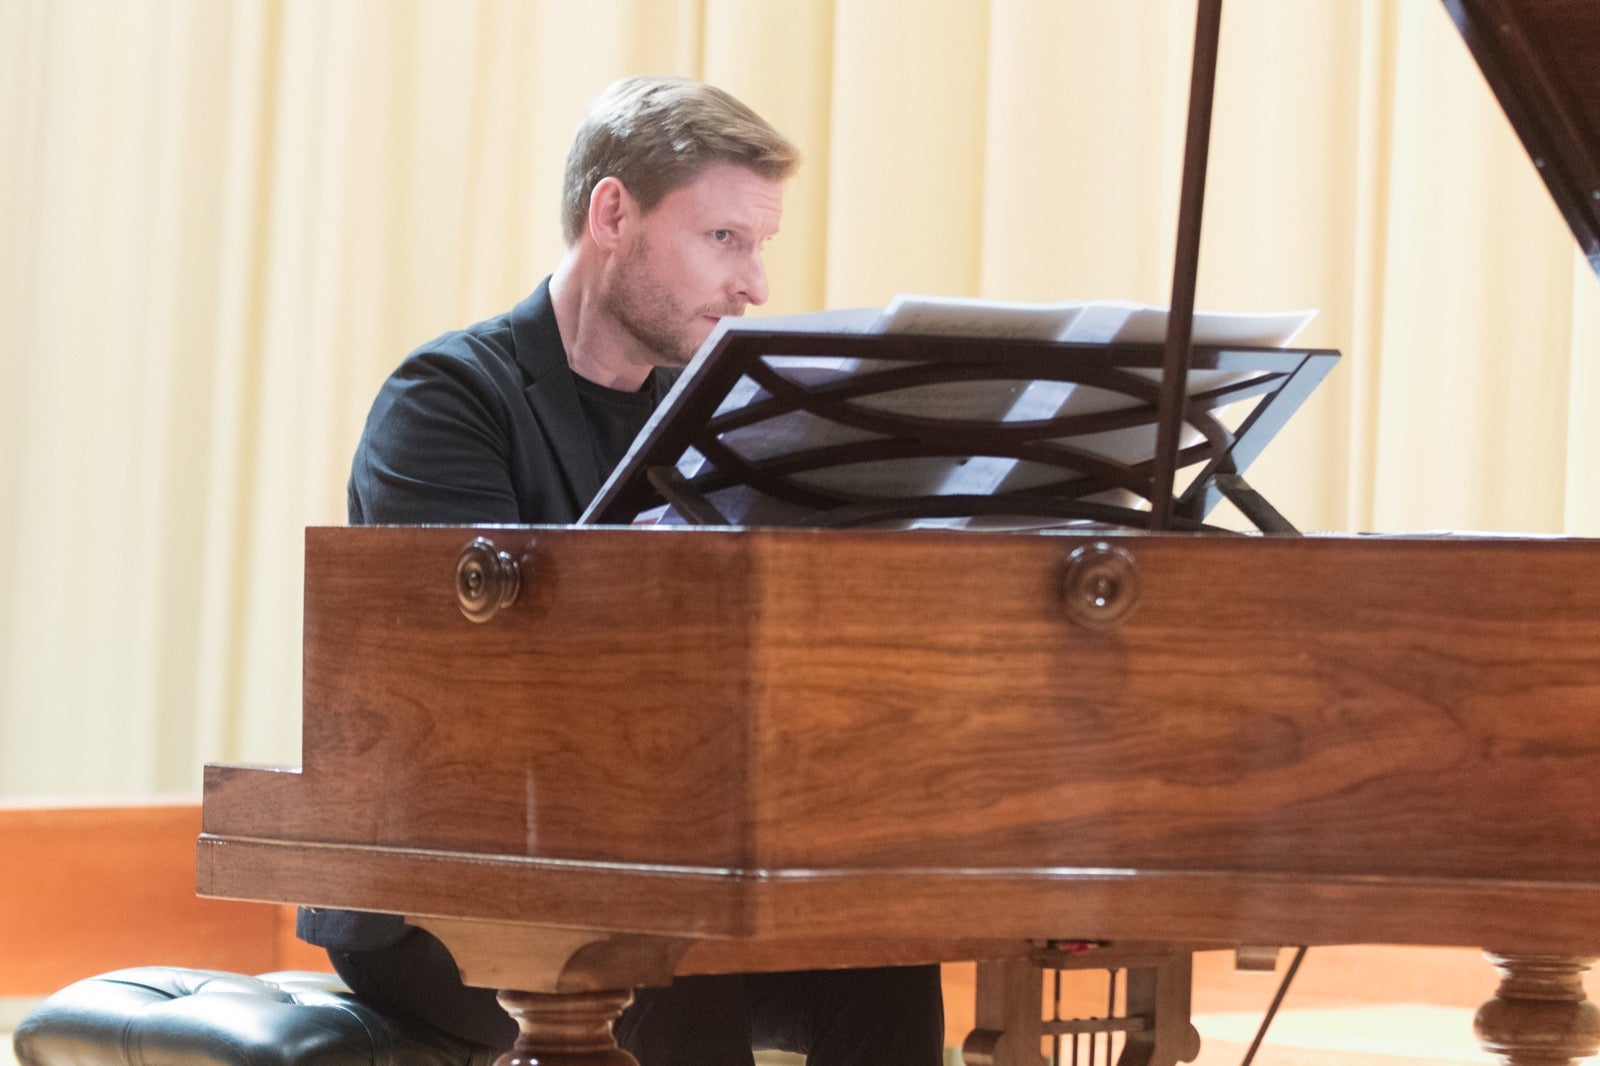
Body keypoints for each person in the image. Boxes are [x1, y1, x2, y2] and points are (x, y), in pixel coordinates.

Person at [296, 75, 945, 1066]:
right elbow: (482, 682)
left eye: (759, 245)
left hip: (658, 856)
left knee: (884, 950)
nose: (755, 284)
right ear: (613, 213)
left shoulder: (721, 418)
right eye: (723, 238)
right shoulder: (447, 400)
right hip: (451, 888)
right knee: (658, 940)